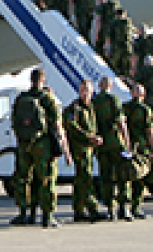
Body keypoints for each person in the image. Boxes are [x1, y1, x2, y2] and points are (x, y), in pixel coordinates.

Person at [9, 68, 71, 228]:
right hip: (42, 146)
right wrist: (64, 147)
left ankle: (24, 214)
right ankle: (47, 216)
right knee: (46, 179)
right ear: (43, 80)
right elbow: (57, 124)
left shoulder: (21, 98)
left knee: (23, 179)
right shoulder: (47, 98)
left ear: (31, 80)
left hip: (24, 145)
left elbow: (14, 122)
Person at [62, 79, 103, 223]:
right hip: (80, 147)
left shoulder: (91, 108)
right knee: (85, 178)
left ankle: (79, 210)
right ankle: (92, 208)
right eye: (82, 90)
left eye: (87, 90)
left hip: (90, 148)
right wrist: (89, 137)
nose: (85, 93)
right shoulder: (75, 108)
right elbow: (72, 126)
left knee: (81, 179)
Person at [93, 76, 132, 220]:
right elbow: (121, 122)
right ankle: (124, 208)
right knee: (122, 177)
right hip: (116, 143)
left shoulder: (94, 102)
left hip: (102, 145)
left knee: (106, 177)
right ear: (111, 86)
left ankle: (110, 209)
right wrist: (127, 143)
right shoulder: (114, 100)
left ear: (99, 86)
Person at [123, 84, 153, 219]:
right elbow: (150, 131)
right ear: (143, 95)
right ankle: (135, 207)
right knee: (140, 177)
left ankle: (124, 207)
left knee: (126, 177)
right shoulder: (145, 109)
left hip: (127, 146)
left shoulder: (125, 107)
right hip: (142, 148)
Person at [105, 8, 136, 78]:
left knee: (114, 66)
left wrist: (106, 49)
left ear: (116, 15)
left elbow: (108, 37)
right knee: (126, 66)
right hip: (127, 48)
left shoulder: (114, 23)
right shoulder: (128, 23)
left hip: (117, 47)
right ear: (124, 14)